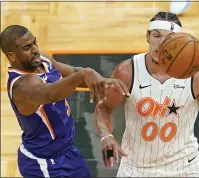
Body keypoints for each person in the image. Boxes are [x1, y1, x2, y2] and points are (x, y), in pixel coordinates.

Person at [0, 25, 130, 178]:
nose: (35, 49)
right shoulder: (22, 86)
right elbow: (51, 94)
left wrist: (104, 81)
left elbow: (72, 73)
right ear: (11, 56)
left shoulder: (43, 60)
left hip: (68, 151)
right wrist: (84, 74)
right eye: (27, 47)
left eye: (35, 43)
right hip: (44, 163)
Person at [94, 11, 199, 177]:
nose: (161, 44)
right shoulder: (127, 71)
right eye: (156, 35)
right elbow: (104, 108)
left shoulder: (197, 76)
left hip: (185, 167)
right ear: (148, 36)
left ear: (179, 42)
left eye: (169, 39)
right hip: (135, 168)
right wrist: (106, 135)